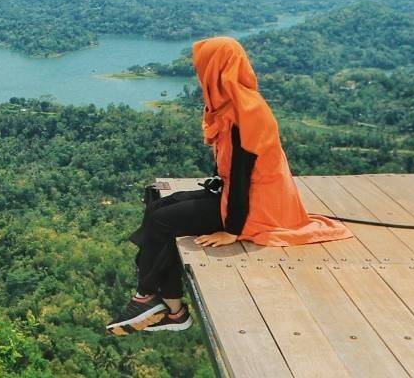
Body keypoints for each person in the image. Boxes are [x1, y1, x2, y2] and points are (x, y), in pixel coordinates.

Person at [107, 35, 352, 335]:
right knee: (161, 206)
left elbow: (242, 176)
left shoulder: (244, 113)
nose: (200, 75)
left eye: (203, 68)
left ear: (216, 70)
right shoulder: (235, 104)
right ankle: (165, 306)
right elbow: (231, 172)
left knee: (161, 221)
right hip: (239, 196)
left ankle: (156, 301)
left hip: (254, 208)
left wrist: (232, 230)